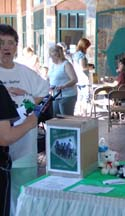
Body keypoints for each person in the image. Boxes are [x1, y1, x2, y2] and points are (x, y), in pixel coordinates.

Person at [0, 24, 49, 216]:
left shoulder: (25, 72)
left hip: (25, 146)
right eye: (1, 43)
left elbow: (43, 93)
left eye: (10, 43)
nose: (6, 47)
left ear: (16, 46)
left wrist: (23, 107)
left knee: (24, 195)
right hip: (4, 148)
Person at [0, 81, 37, 216]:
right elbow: (5, 137)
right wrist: (31, 123)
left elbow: (31, 104)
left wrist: (26, 96)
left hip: (22, 159)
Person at [48, 45, 78, 116]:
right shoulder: (53, 65)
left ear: (56, 55)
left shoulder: (66, 64)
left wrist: (63, 86)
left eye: (51, 56)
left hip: (67, 95)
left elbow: (74, 79)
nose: (50, 58)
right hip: (55, 95)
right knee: (56, 116)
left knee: (65, 117)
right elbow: (49, 77)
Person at [73, 38, 91, 116]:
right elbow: (83, 67)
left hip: (77, 79)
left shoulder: (75, 54)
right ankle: (84, 113)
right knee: (85, 98)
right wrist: (90, 67)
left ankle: (79, 112)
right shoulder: (81, 55)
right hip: (84, 79)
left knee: (79, 98)